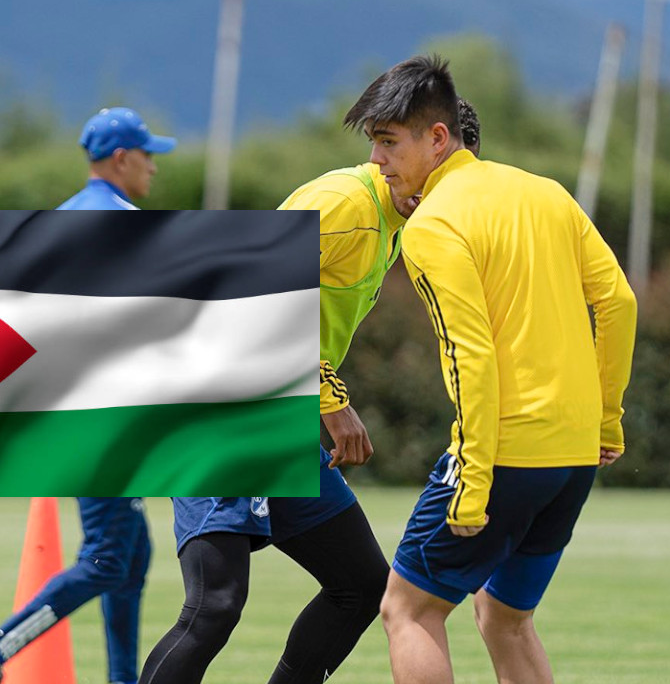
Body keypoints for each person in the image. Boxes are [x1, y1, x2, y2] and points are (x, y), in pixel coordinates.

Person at [137, 100, 484, 684]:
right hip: (223, 408)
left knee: (361, 588)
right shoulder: (346, 203)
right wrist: (333, 402)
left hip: (277, 416)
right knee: (215, 606)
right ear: (436, 147)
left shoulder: (401, 221)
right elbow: (254, 299)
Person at [345, 54, 636, 684]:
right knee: (504, 615)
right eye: (375, 145)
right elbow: (618, 302)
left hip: (503, 456)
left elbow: (467, 355)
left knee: (408, 610)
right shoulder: (547, 193)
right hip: (574, 455)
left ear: (439, 138)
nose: (378, 162)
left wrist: (473, 481)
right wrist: (607, 420)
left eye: (390, 143)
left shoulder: (435, 225)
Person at [0, 107, 174, 684]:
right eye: (148, 155)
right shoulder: (124, 221)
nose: (154, 166)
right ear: (122, 158)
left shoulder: (58, 220)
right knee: (107, 556)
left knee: (129, 554)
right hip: (99, 416)